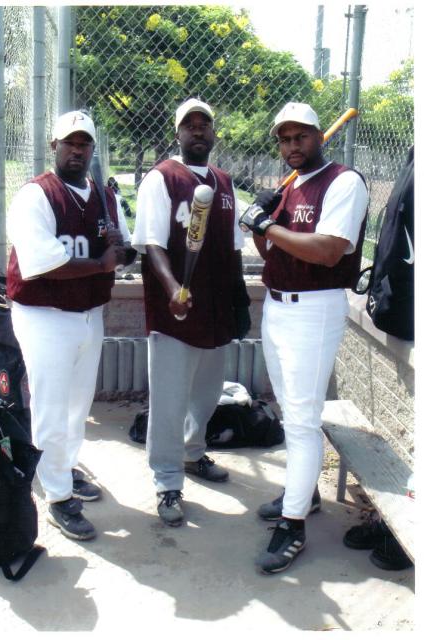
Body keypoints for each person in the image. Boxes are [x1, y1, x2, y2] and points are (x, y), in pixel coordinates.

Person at [240, 102, 369, 573]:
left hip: (314, 309)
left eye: (302, 137)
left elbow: (330, 251)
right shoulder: (291, 186)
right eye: (285, 139)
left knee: (301, 418)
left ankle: (293, 526)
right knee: (288, 406)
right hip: (277, 304)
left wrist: (267, 223)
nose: (292, 146)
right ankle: (305, 491)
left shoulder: (343, 182)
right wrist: (260, 221)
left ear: (320, 136)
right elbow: (269, 246)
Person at [6, 110, 135, 541]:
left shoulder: (105, 196)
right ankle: (57, 495)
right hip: (44, 315)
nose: (76, 150)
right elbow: (40, 264)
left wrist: (122, 250)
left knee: (79, 405)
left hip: (88, 313)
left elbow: (122, 245)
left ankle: (62, 467)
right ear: (54, 147)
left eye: (84, 144)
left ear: (92, 149)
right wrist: (101, 262)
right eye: (69, 143)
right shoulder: (36, 195)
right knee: (50, 404)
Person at [132, 97, 250, 527]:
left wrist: (238, 298)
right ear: (178, 133)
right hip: (175, 310)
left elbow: (236, 247)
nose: (198, 130)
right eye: (189, 125)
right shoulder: (161, 179)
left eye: (204, 124)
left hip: (216, 305)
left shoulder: (224, 181)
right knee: (168, 399)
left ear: (213, 133)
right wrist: (173, 288)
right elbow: (152, 244)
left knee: (206, 391)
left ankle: (193, 452)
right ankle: (166, 480)